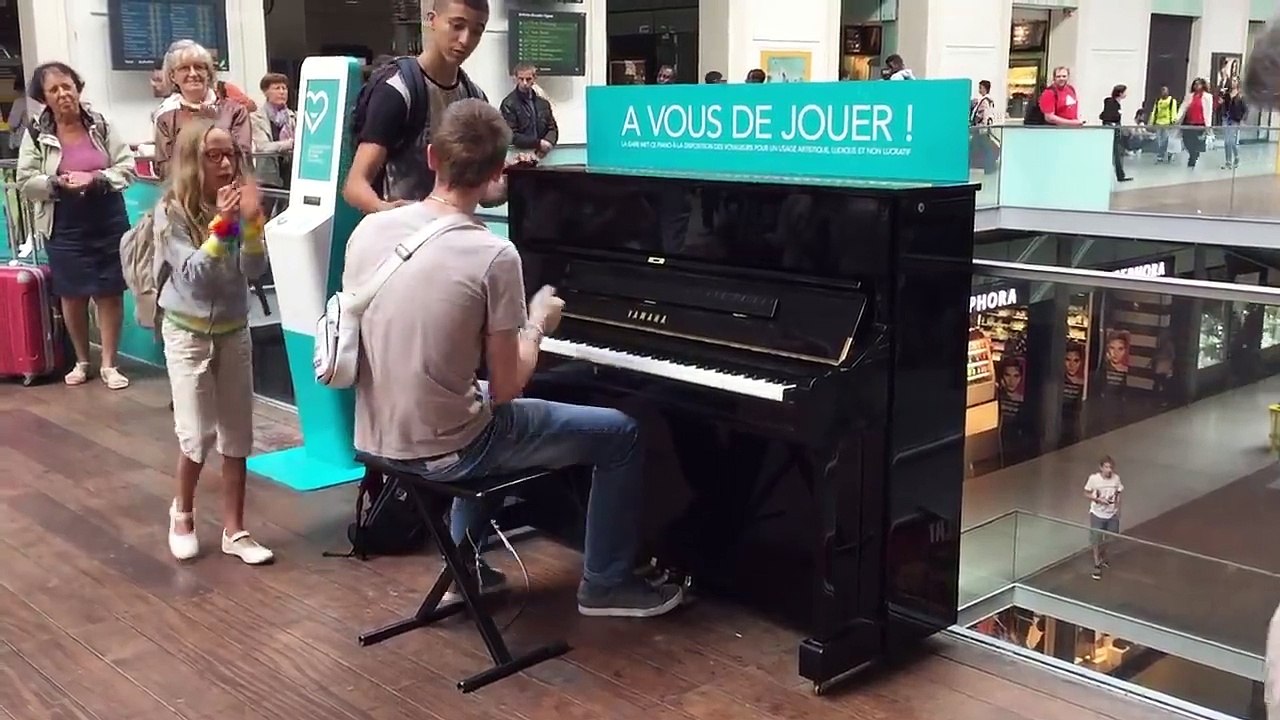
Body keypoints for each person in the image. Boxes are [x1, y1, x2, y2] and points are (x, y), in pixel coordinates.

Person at [343, 98, 684, 618]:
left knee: (474, 405)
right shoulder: (493, 254)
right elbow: (509, 387)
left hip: (374, 438)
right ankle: (606, 584)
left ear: (432, 157)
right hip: (450, 448)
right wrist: (538, 324)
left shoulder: (369, 230)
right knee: (621, 433)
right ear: (500, 170)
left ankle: (466, 569)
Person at [156, 119, 273, 566]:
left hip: (233, 330)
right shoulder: (171, 212)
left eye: (231, 155)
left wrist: (252, 224)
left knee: (238, 433)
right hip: (186, 332)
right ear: (191, 161)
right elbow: (195, 276)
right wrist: (225, 223)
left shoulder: (240, 205)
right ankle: (181, 512)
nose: (226, 164)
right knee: (196, 433)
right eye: (214, 156)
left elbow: (254, 270)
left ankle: (235, 530)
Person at [15, 62, 135, 389]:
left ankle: (110, 363)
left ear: (77, 87)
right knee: (72, 294)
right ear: (44, 98)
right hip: (63, 222)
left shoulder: (102, 124)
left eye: (67, 86)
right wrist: (56, 183)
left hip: (107, 217)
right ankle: (83, 361)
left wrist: (96, 179)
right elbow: (25, 180)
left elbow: (126, 167)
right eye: (54, 90)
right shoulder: (37, 134)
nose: (63, 93)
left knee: (110, 292)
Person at [342, 0, 500, 213]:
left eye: (476, 31)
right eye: (457, 25)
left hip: (450, 234)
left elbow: (481, 192)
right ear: (432, 20)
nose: (465, 40)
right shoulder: (397, 91)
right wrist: (387, 211)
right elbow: (355, 185)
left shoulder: (474, 98)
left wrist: (516, 180)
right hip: (401, 238)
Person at [153, 40, 251, 180]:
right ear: (173, 76)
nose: (193, 74)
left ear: (208, 73)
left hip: (230, 193)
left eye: (199, 67)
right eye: (184, 68)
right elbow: (164, 169)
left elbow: (243, 159)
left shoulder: (235, 111)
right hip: (185, 197)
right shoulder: (166, 120)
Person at [500, 62, 558, 159]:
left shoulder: (543, 103)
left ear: (534, 79)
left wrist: (548, 142)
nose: (525, 83)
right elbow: (511, 135)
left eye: (528, 79)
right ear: (515, 79)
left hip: (542, 155)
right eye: (521, 79)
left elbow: (552, 129)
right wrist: (538, 143)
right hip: (519, 155)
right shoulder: (508, 104)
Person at [249, 72, 296, 189]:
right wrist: (289, 144)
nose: (282, 92)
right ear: (266, 92)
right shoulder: (255, 118)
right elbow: (263, 147)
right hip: (268, 179)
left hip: (291, 176)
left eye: (284, 88)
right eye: (277, 88)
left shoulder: (293, 116)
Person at [1084, 456, 1123, 580]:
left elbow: (1118, 494)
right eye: (1106, 467)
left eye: (1111, 467)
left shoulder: (1116, 479)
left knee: (1112, 536)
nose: (1109, 470)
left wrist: (1118, 509)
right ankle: (1096, 563)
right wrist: (1097, 499)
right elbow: (1086, 492)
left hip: (1111, 513)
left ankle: (1103, 554)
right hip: (1097, 513)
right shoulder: (1094, 479)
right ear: (1101, 468)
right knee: (1096, 538)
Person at [1100, 84, 1132, 182]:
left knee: (1117, 152)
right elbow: (1107, 116)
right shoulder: (1111, 102)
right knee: (1115, 152)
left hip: (1115, 130)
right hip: (1112, 130)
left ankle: (1120, 174)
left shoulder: (1116, 104)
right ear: (1120, 93)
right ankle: (1119, 174)